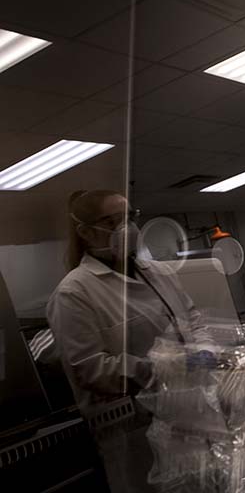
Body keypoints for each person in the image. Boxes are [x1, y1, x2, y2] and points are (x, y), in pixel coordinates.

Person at [47, 190, 214, 492]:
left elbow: (191, 318)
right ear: (85, 232)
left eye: (129, 218)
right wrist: (163, 367)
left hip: (192, 411)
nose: (126, 229)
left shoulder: (159, 272)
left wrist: (204, 348)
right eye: (111, 221)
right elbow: (91, 370)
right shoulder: (74, 293)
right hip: (137, 431)